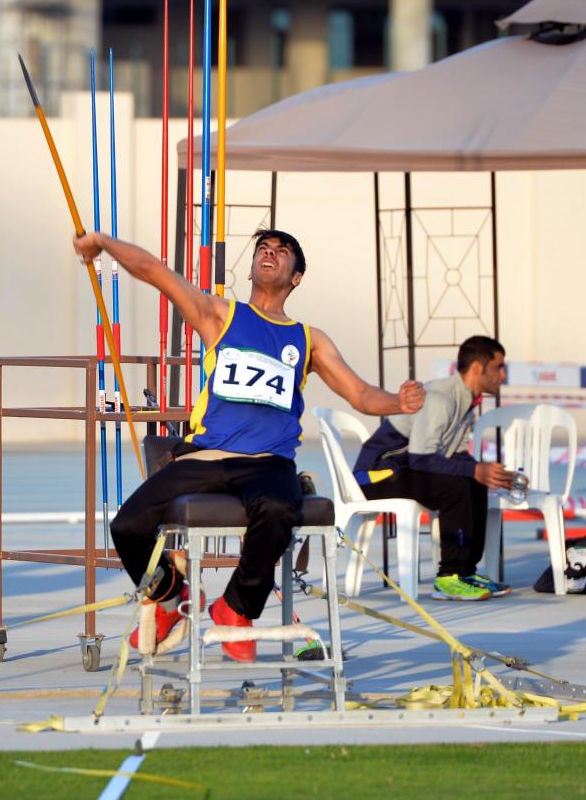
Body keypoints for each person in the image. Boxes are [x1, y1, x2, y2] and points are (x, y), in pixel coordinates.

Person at [73, 227, 424, 661]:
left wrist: (398, 402)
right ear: (253, 266)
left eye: (282, 251)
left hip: (267, 461)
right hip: (206, 455)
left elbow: (359, 394)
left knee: (278, 509)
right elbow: (156, 273)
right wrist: (104, 243)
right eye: (263, 249)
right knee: (126, 526)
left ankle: (235, 608)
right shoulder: (221, 315)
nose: (269, 254)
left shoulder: (309, 339)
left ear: (296, 277)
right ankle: (170, 597)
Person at [353, 335, 515, 602]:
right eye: (498, 367)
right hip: (376, 476)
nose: (503, 374)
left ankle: (465, 572)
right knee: (458, 485)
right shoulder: (441, 398)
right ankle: (448, 578)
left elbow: (459, 456)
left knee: (474, 481)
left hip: (405, 469)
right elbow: (420, 458)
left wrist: (489, 473)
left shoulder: (466, 403)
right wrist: (474, 471)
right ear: (477, 368)